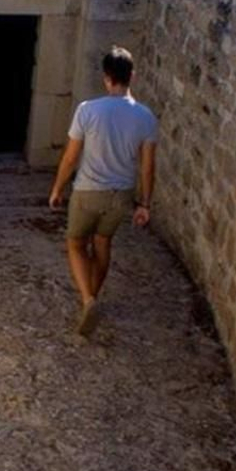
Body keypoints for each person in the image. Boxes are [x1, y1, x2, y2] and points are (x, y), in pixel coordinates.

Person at [48, 47, 158, 336]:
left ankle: (88, 300)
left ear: (106, 78)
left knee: (75, 243)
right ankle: (93, 297)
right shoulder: (146, 117)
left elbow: (71, 157)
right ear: (132, 76)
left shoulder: (88, 110)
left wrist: (58, 188)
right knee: (102, 242)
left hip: (88, 191)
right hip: (121, 195)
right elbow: (148, 167)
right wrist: (144, 204)